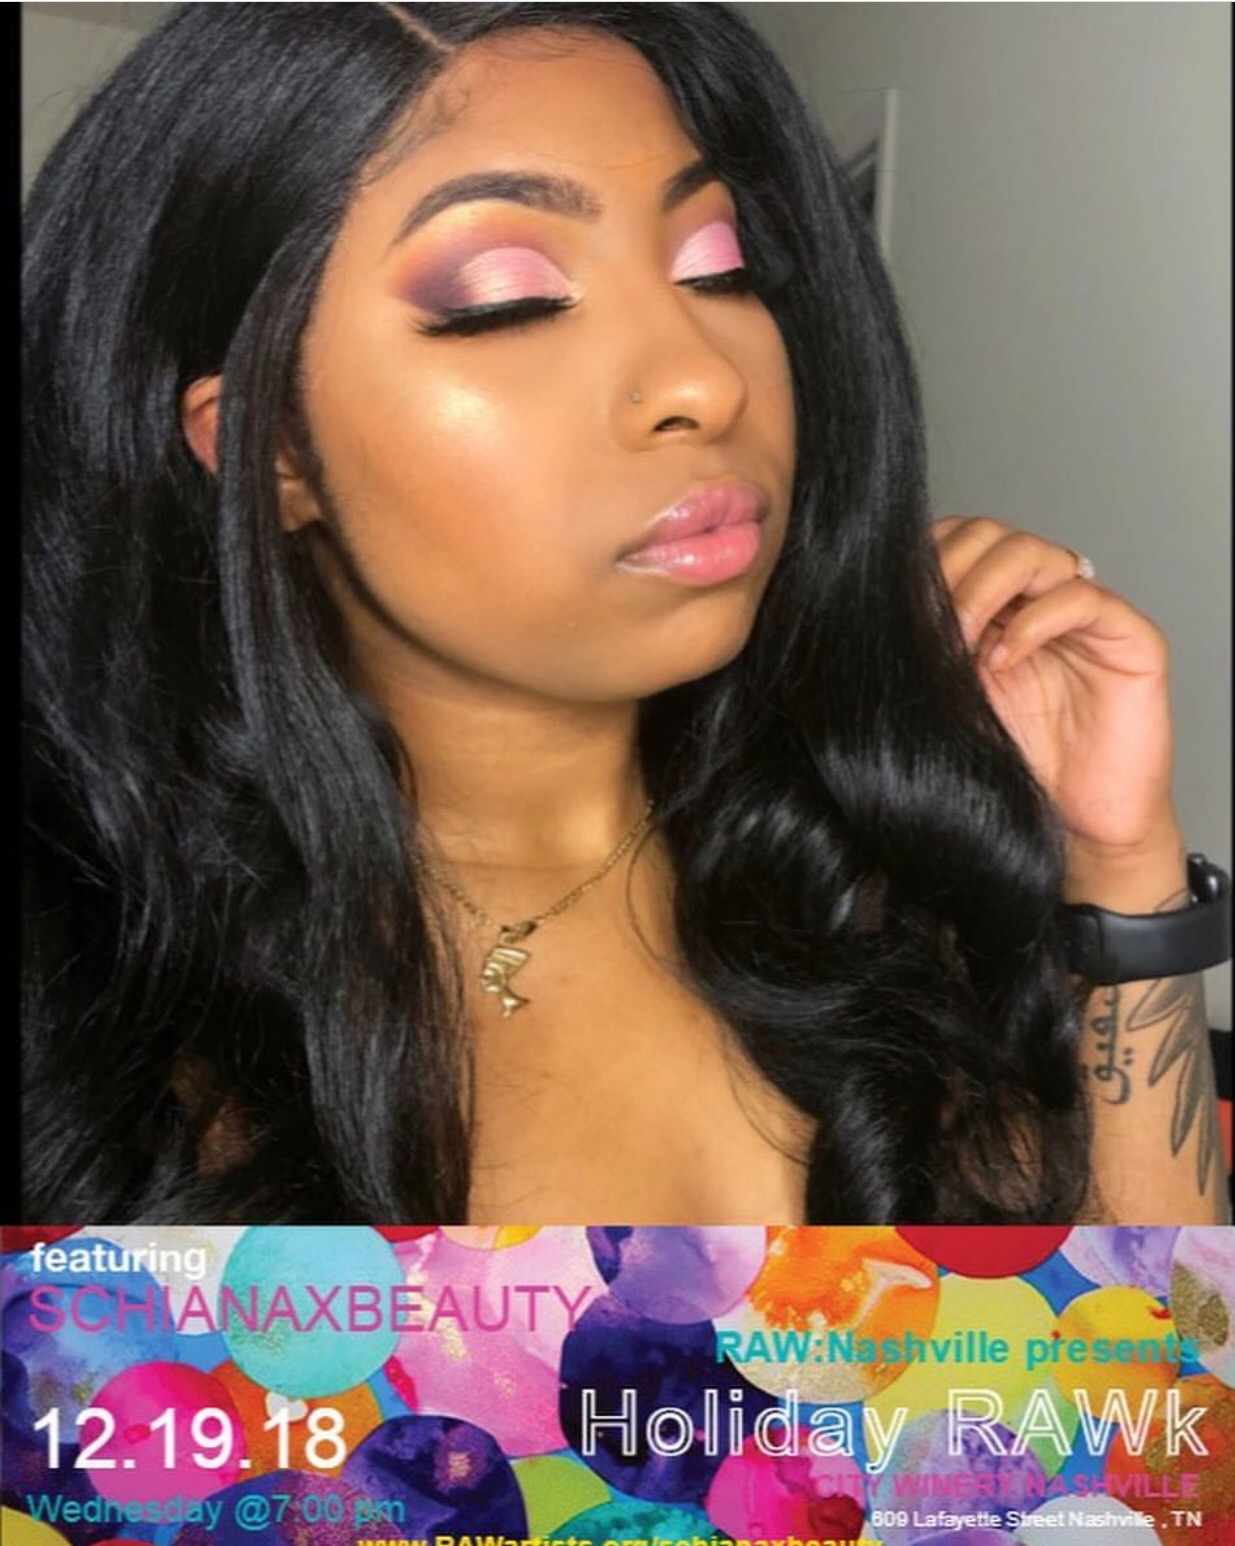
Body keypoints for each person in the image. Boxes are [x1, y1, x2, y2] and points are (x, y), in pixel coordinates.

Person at [22, 1, 1229, 1226]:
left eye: (716, 267)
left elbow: (1157, 1353)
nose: (703, 376)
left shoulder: (896, 880)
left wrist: (1116, 865)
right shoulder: (86, 989)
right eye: (506, 300)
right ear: (270, 446)